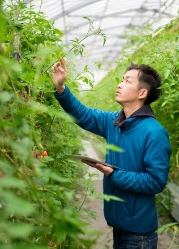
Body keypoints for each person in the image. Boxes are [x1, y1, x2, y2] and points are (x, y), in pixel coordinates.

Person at [52, 58, 171, 249]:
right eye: (122, 79)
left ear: (142, 93)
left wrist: (113, 174)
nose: (120, 84)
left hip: (138, 234)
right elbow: (84, 115)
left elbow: (156, 182)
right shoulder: (115, 122)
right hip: (118, 223)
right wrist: (61, 88)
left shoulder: (154, 133)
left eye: (127, 81)